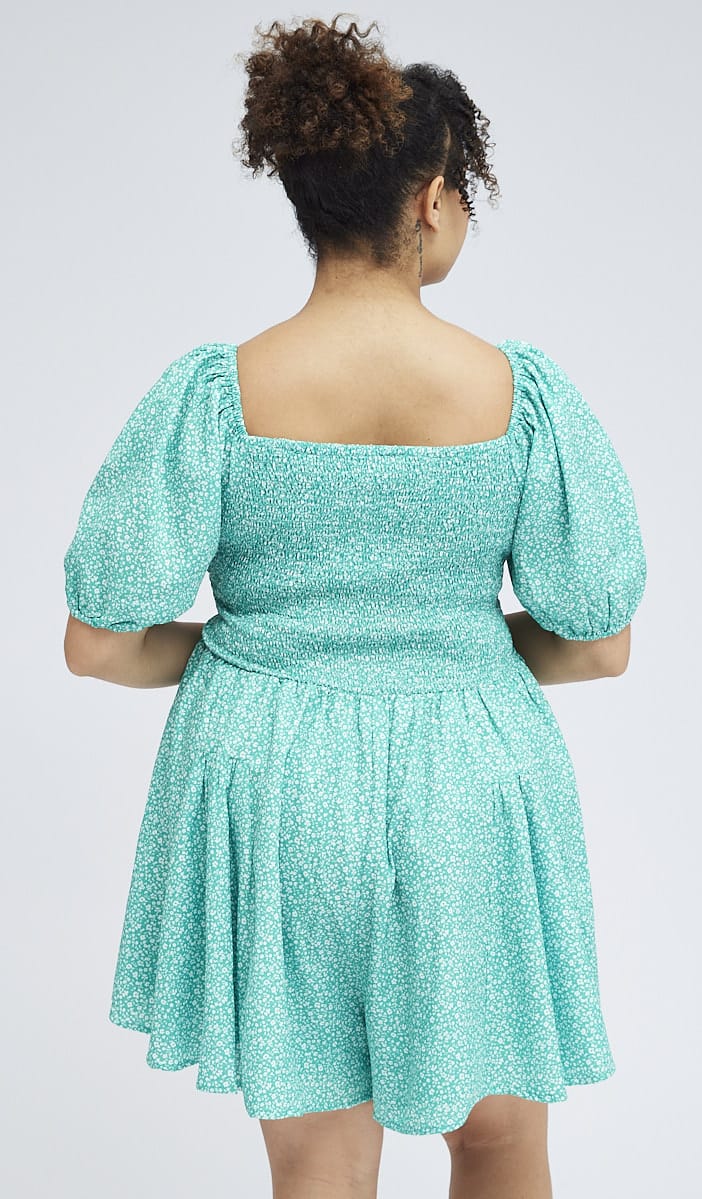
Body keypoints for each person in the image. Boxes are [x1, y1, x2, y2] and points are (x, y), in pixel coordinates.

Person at [62, 13, 647, 1199]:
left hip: (268, 780)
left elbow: (99, 645)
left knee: (319, 1161)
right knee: (497, 1139)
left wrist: (262, 650)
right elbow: (596, 645)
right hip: (468, 783)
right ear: (430, 201)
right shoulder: (516, 395)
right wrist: (448, 644)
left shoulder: (215, 394)